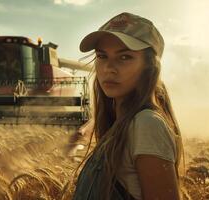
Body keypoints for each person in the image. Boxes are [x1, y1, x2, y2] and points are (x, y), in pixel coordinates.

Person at [71, 12, 183, 200]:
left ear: (149, 67)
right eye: (102, 56)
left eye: (124, 57)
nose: (109, 68)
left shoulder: (147, 124)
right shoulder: (121, 124)